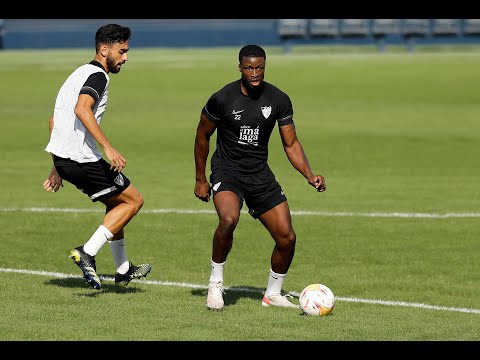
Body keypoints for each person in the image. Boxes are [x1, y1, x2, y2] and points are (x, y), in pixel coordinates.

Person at [194, 44, 326, 310]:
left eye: (259, 67)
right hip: (227, 171)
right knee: (229, 219)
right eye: (249, 68)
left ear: (265, 66)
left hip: (259, 174)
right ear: (240, 68)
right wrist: (200, 178)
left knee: (287, 238)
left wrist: (309, 175)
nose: (255, 73)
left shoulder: (278, 99)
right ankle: (216, 284)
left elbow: (290, 143)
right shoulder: (222, 98)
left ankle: (272, 294)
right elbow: (202, 135)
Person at [43, 24, 151, 290]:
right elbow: (82, 109)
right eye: (122, 51)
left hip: (66, 159)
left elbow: (54, 119)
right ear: (104, 50)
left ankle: (123, 270)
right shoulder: (98, 76)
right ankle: (87, 252)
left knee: (117, 203)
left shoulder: (77, 73)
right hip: (82, 159)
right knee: (134, 200)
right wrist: (108, 147)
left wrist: (57, 166)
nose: (126, 57)